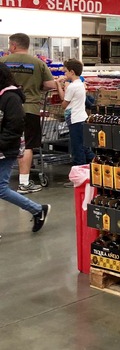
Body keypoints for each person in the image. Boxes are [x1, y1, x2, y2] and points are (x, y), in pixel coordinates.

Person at [0, 33, 57, 194]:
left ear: (13, 45)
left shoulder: (2, 62)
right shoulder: (38, 63)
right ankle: (24, 183)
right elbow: (48, 84)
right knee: (27, 145)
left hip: (4, 109)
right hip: (30, 108)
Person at [0, 63, 51, 232]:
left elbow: (14, 127)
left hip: (5, 149)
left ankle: (37, 210)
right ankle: (38, 210)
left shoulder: (10, 97)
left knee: (1, 188)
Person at [56, 58, 94, 167]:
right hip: (82, 118)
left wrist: (59, 85)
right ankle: (94, 167)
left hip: (75, 120)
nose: (64, 73)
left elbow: (64, 104)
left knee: (77, 148)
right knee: (84, 147)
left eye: (66, 71)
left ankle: (79, 171)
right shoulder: (80, 84)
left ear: (72, 72)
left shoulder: (72, 87)